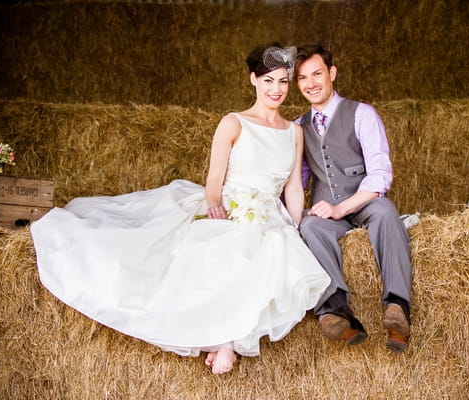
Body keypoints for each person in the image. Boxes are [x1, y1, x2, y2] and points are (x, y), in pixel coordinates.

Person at [30, 43, 330, 375]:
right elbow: (215, 178)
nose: (277, 89)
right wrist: (215, 205)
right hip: (231, 203)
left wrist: (296, 226)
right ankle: (224, 341)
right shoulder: (233, 123)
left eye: (283, 82)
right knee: (220, 245)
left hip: (270, 213)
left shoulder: (295, 131)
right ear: (253, 80)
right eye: (269, 80)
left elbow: (292, 187)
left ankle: (225, 340)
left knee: (273, 246)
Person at [294, 43, 413, 352]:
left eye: (317, 73)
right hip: (327, 207)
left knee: (386, 211)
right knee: (309, 228)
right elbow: (297, 180)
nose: (311, 83)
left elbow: (380, 174)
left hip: (363, 201)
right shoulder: (298, 127)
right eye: (303, 78)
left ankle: (397, 306)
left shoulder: (362, 114)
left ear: (332, 73)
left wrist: (342, 207)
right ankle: (335, 309)